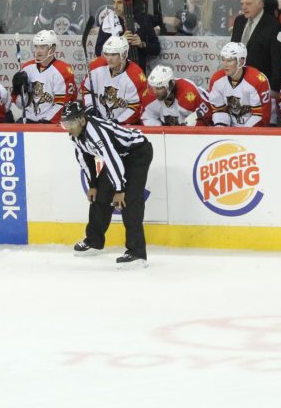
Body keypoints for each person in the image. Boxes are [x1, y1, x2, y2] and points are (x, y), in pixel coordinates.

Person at [62, 100, 153, 268]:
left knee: (129, 201)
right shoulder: (75, 135)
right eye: (65, 124)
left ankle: (137, 253)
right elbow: (85, 158)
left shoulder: (96, 132)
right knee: (100, 196)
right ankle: (94, 241)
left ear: (82, 120)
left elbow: (111, 159)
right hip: (119, 156)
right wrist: (93, 185)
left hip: (137, 153)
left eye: (71, 123)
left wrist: (119, 189)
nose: (68, 127)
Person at [81, 35, 153, 125]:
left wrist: (117, 122)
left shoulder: (136, 75)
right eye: (107, 54)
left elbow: (136, 106)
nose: (109, 59)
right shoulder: (95, 66)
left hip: (124, 126)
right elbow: (87, 90)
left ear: (124, 54)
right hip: (98, 122)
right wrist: (91, 108)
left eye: (114, 54)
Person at [11, 30, 77, 124]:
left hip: (51, 122)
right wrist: (18, 90)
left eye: (42, 47)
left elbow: (62, 104)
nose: (38, 51)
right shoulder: (26, 68)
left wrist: (46, 122)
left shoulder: (63, 70)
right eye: (36, 46)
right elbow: (21, 105)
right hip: (28, 119)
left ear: (53, 49)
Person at [230, 0, 281, 92]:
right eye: (242, 4)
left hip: (261, 85)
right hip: (238, 83)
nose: (244, 7)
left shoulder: (274, 26)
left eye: (248, 4)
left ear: (260, 4)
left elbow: (279, 62)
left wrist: (274, 89)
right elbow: (232, 51)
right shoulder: (239, 21)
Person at [209, 41, 273, 127]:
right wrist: (222, 129)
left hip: (253, 131)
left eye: (229, 60)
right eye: (223, 60)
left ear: (241, 61)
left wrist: (243, 133)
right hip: (230, 129)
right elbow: (219, 110)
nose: (225, 64)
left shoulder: (257, 80)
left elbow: (261, 116)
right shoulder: (217, 80)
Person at [142, 65, 212, 127]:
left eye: (159, 88)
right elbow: (147, 118)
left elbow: (206, 118)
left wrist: (184, 130)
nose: (155, 92)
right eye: (153, 88)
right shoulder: (149, 97)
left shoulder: (188, 93)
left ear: (170, 85)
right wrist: (161, 131)